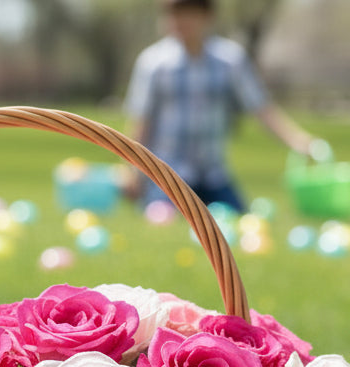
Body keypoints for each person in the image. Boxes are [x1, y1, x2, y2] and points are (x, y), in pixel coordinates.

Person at [123, 0, 318, 212]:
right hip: (168, 175)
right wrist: (132, 171)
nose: (180, 22)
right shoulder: (153, 63)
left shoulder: (230, 61)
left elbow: (260, 107)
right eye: (174, 14)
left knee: (237, 217)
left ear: (207, 17)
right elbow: (142, 120)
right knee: (161, 217)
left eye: (189, 14)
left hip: (213, 174)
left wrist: (297, 140)